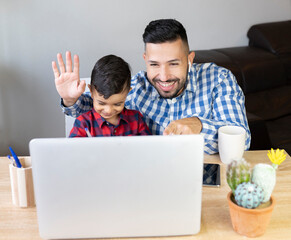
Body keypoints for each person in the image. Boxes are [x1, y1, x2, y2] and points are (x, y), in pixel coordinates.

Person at [53, 19, 251, 154]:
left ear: (189, 59)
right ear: (145, 59)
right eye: (154, 65)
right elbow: (102, 107)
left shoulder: (218, 79)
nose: (163, 77)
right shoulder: (136, 87)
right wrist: (71, 99)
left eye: (174, 64)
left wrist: (199, 125)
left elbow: (242, 140)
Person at [53, 54, 151, 137]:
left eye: (117, 104)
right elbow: (71, 154)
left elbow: (149, 150)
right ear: (91, 91)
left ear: (128, 93)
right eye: (101, 103)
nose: (108, 110)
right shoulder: (83, 123)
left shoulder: (136, 119)